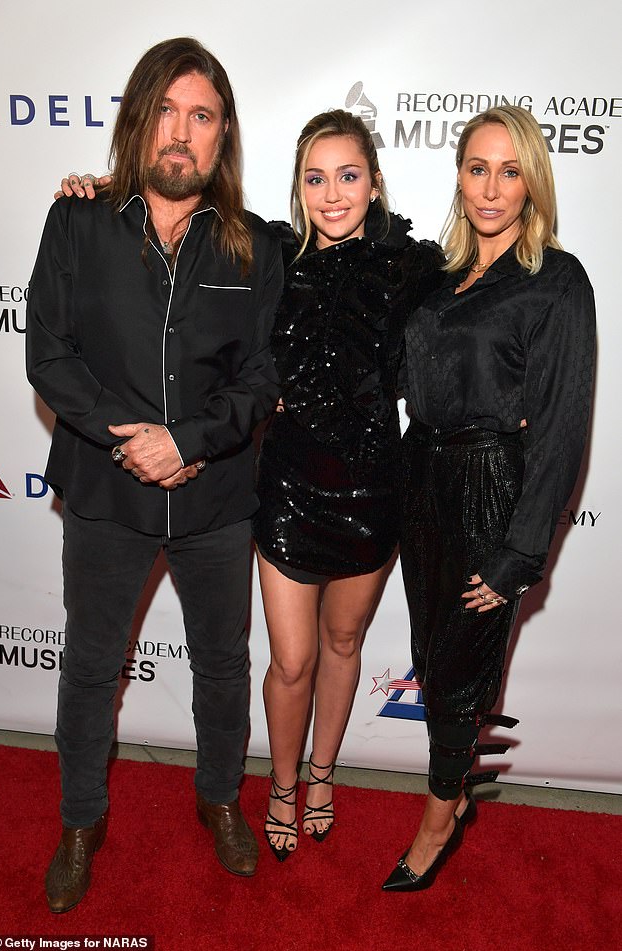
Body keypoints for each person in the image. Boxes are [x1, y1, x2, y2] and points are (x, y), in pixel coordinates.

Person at [26, 37, 283, 912]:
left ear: (222, 137)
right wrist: (127, 438)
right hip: (105, 491)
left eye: (201, 116)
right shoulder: (77, 221)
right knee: (92, 668)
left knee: (222, 663)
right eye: (166, 111)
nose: (182, 132)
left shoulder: (256, 247)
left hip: (215, 498)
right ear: (140, 123)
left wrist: (189, 442)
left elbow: (261, 381)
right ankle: (79, 822)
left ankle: (220, 798)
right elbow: (49, 357)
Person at [382, 105, 596, 892]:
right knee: (433, 664)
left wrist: (519, 553)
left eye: (511, 170)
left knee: (457, 661)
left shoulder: (556, 281)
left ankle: (440, 817)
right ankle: (460, 762)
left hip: (490, 488)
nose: (492, 186)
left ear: (533, 181)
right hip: (423, 482)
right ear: (459, 174)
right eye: (478, 167)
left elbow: (565, 425)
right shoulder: (438, 276)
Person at [252, 110, 443, 860]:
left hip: (372, 493)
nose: (333, 194)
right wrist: (108, 188)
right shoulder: (272, 256)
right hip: (290, 489)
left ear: (374, 182)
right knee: (290, 659)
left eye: (349, 175)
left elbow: (482, 307)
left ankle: (323, 773)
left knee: (341, 641)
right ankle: (281, 781)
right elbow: (185, 216)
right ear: (299, 188)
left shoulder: (412, 267)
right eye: (316, 178)